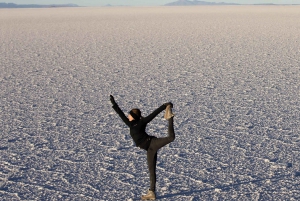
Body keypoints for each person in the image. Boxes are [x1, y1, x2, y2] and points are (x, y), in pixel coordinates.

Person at [109, 95, 175, 200]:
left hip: (152, 143)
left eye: (129, 115)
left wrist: (164, 106)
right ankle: (151, 192)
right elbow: (120, 114)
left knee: (171, 138)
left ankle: (170, 118)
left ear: (133, 116)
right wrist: (114, 104)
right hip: (149, 150)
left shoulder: (141, 122)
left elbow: (153, 114)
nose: (128, 116)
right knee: (151, 170)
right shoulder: (130, 124)